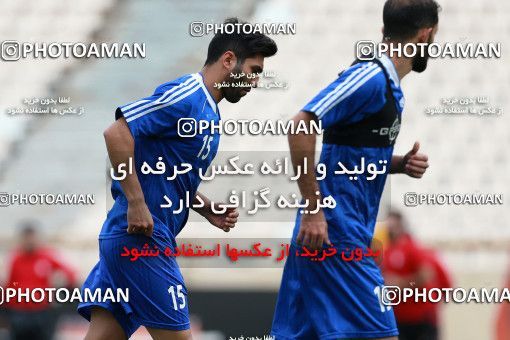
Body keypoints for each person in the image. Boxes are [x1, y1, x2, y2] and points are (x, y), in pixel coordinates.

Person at [77, 17, 277, 340]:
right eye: (254, 71)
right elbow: (116, 133)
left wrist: (203, 205)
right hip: (141, 240)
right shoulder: (187, 95)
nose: (255, 81)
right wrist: (136, 202)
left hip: (135, 237)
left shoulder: (210, 113)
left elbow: (166, 172)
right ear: (229, 60)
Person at [271, 0, 439, 338]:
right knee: (382, 334)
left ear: (383, 32)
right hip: (335, 232)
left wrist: (398, 164)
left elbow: (347, 155)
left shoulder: (387, 85)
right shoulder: (369, 76)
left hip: (336, 232)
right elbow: (300, 124)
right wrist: (314, 210)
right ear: (426, 35)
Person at [383, 211, 452, 340]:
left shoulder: (413, 249)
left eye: (393, 226)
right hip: (400, 319)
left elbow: (427, 276)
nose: (390, 229)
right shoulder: (386, 252)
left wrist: (401, 283)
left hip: (421, 319)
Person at [4, 222, 77, 340]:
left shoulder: (47, 256)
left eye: (32, 238)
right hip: (18, 312)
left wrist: (61, 292)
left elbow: (70, 274)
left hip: (42, 311)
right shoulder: (14, 258)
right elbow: (8, 284)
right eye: (26, 238)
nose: (29, 242)